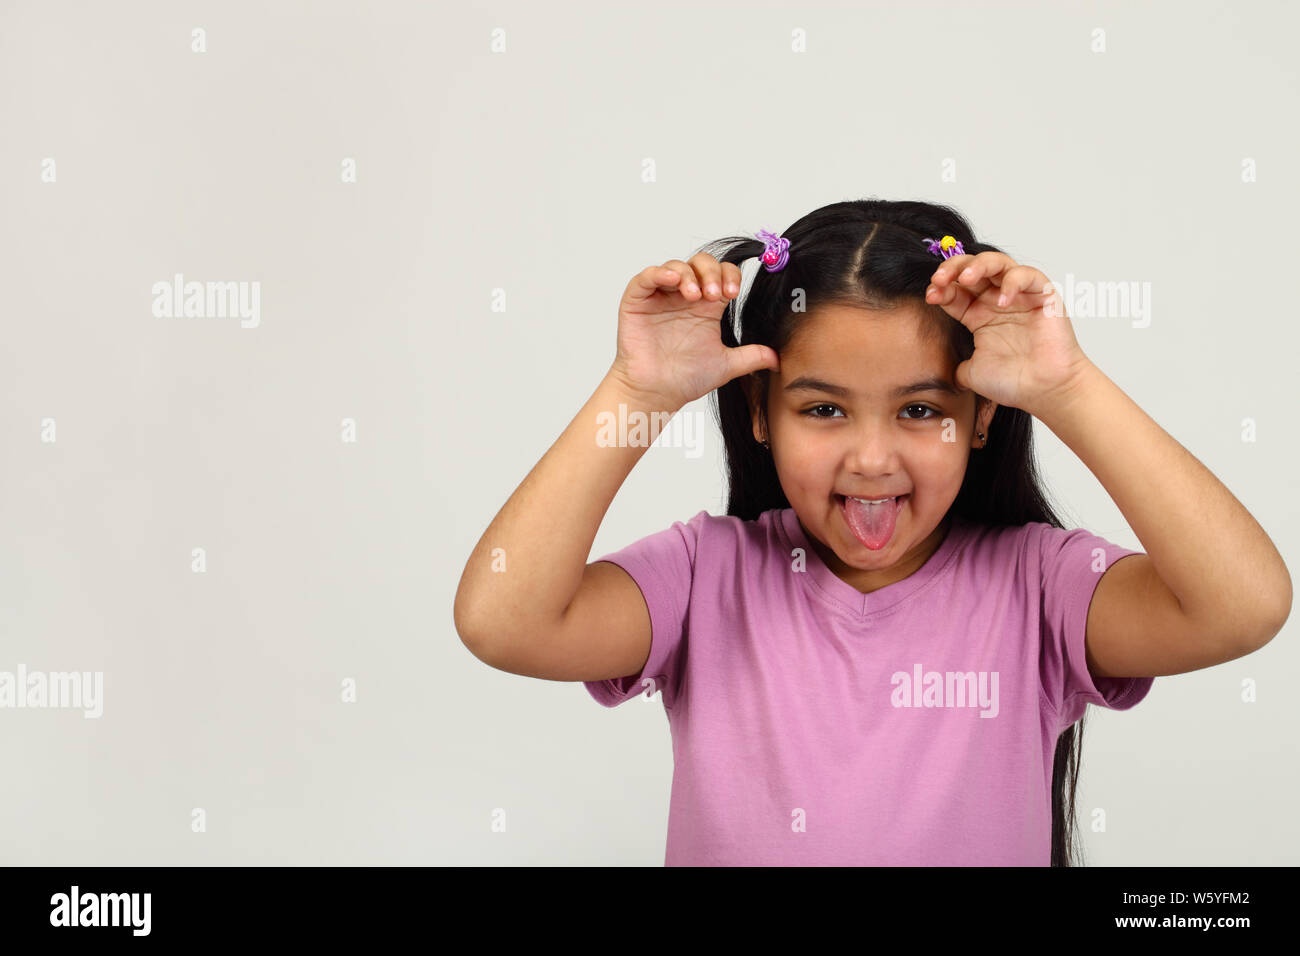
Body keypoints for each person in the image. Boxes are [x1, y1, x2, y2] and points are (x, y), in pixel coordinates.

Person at [453, 198, 1291, 866]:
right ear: (759, 415)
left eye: (921, 410)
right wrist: (636, 396)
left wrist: (1065, 386)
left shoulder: (1038, 587)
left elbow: (1242, 606)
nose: (871, 456)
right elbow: (504, 621)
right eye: (823, 409)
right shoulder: (707, 576)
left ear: (983, 415)